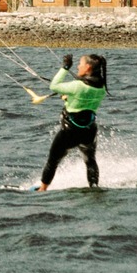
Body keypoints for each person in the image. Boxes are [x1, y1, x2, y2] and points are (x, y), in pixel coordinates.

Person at [35, 52, 108, 190]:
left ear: (87, 67)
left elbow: (54, 86)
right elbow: (84, 101)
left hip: (70, 132)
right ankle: (94, 188)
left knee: (53, 161)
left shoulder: (77, 86)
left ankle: (42, 189)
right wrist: (69, 98)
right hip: (89, 131)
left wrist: (65, 67)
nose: (78, 67)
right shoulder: (101, 87)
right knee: (90, 161)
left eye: (80, 64)